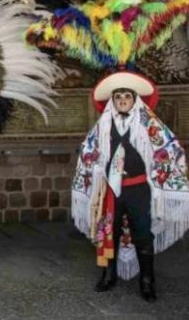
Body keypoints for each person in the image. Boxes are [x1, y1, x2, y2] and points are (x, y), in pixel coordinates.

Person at [73, 71, 189, 303]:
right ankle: (109, 275)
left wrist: (159, 178)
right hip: (111, 191)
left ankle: (147, 282)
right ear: (112, 101)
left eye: (127, 96)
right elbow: (89, 151)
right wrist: (95, 167)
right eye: (118, 97)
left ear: (135, 99)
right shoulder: (103, 124)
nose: (123, 100)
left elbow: (171, 150)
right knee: (110, 232)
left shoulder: (149, 123)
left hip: (139, 190)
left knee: (143, 233)